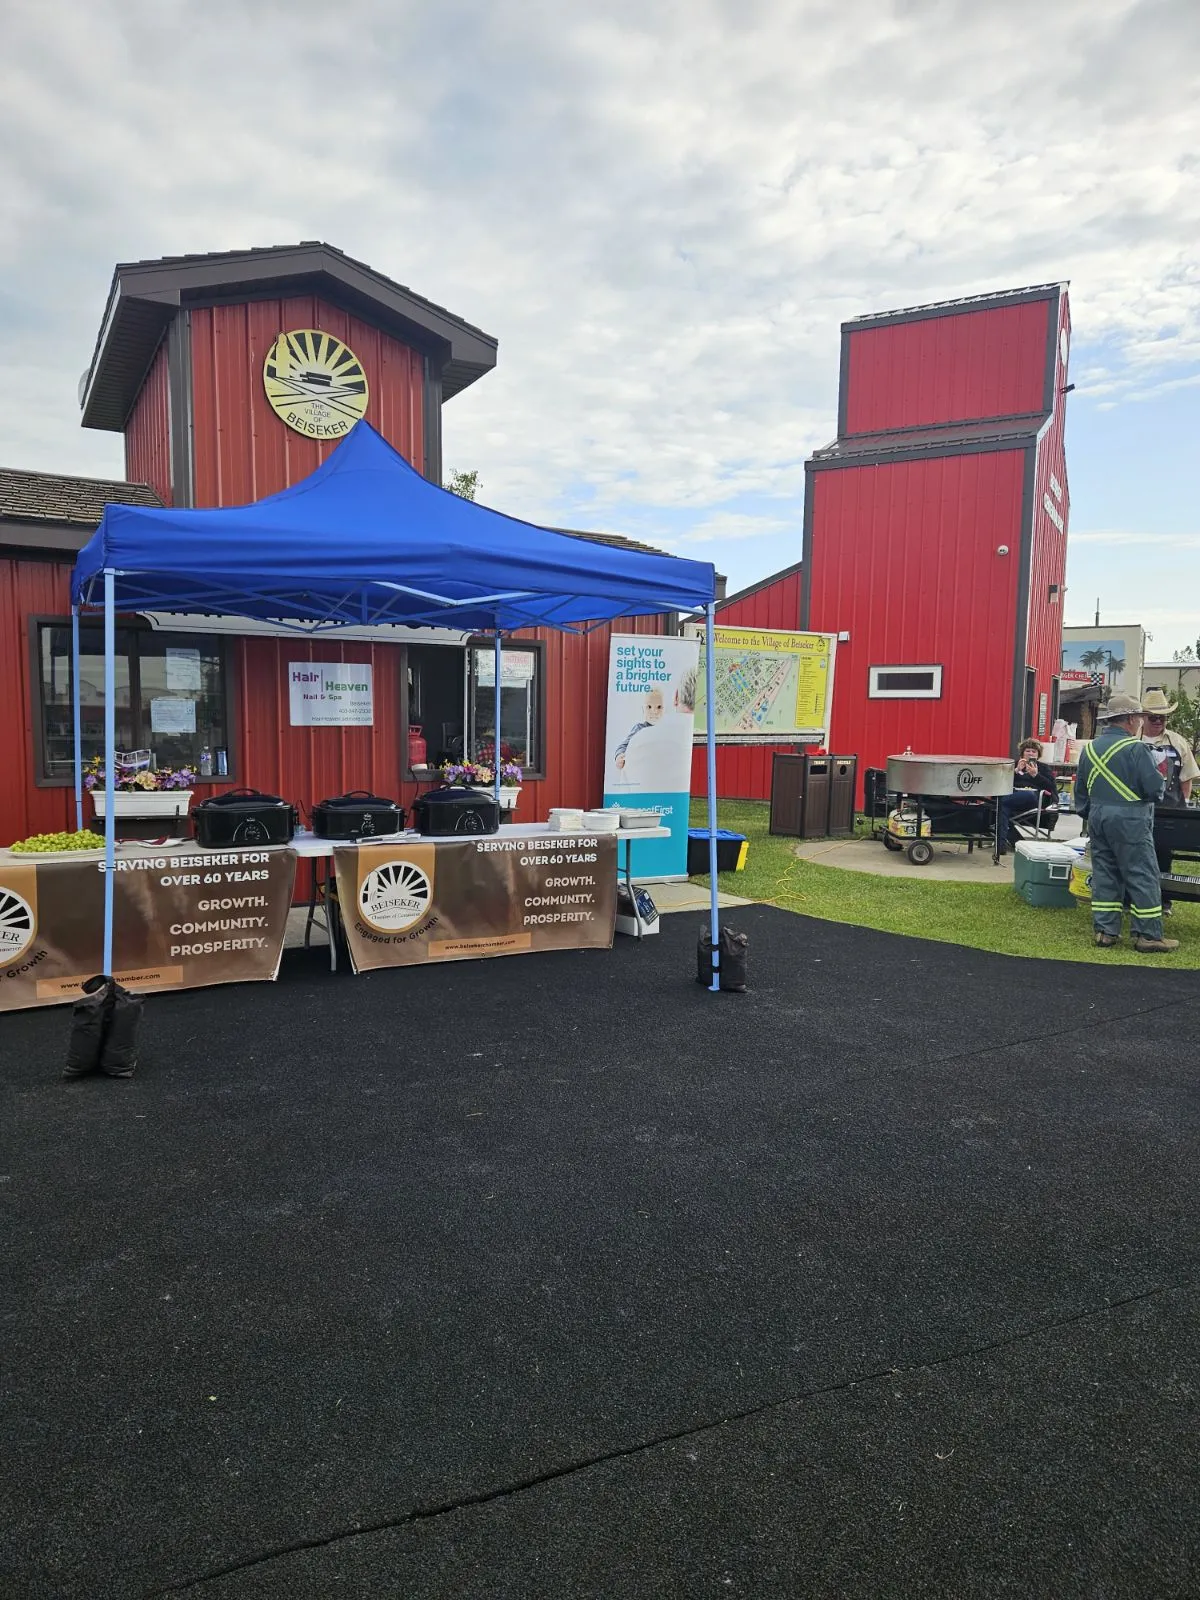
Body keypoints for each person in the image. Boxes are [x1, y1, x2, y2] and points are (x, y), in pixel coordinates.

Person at [1074, 692, 1177, 952]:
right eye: (1140, 717)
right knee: (1142, 873)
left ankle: (1105, 932)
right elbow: (1154, 789)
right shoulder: (1137, 748)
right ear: (1131, 719)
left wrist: (1091, 812)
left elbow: (1081, 792)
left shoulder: (1090, 749)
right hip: (1130, 818)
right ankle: (1149, 935)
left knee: (1105, 872)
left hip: (1098, 816)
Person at [1140, 686, 1199, 915]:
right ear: (1144, 717)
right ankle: (1131, 899)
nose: (1158, 721)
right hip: (1137, 808)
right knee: (1134, 856)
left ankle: (1164, 902)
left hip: (1168, 811)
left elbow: (1186, 778)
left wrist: (1182, 806)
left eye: (1162, 717)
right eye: (1153, 717)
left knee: (1163, 856)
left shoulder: (1178, 742)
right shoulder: (1132, 741)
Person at [999, 737, 1059, 847]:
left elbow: (1051, 787)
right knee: (1002, 808)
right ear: (1022, 753)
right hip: (1013, 799)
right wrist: (1016, 771)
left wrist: (1036, 775)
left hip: (1033, 799)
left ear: (1038, 754)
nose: (1030, 753)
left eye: (1034, 751)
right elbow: (1002, 782)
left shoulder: (1043, 768)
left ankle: (998, 802)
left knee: (1001, 802)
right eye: (1027, 751)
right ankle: (1006, 845)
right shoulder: (1014, 765)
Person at [614, 687, 664, 771]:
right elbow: (623, 745)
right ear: (643, 710)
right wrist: (619, 756)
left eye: (659, 707)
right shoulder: (639, 728)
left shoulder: (665, 729)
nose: (654, 711)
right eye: (649, 707)